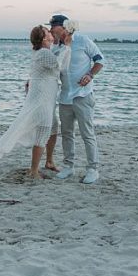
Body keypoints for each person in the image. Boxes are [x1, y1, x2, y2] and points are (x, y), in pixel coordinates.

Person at [0, 25, 72, 179]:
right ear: (44, 38)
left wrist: (65, 47)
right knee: (43, 133)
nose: (51, 33)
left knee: (53, 128)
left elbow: (61, 65)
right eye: (48, 32)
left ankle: (49, 161)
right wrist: (66, 46)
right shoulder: (44, 53)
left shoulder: (46, 52)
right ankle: (34, 170)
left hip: (47, 98)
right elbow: (58, 65)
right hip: (42, 100)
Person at [48, 14, 105, 184]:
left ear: (64, 27)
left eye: (53, 26)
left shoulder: (83, 40)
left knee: (87, 133)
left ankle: (93, 169)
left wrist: (90, 75)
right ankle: (68, 166)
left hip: (83, 95)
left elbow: (100, 60)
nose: (51, 30)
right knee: (66, 133)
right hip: (65, 96)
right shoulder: (55, 47)